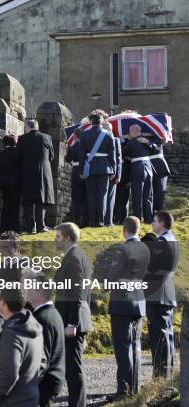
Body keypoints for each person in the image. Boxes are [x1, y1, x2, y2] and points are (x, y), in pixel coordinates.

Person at [106, 216, 149, 401]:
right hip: (139, 302)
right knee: (135, 347)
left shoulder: (122, 249)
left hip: (122, 303)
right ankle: (134, 388)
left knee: (122, 348)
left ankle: (124, 392)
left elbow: (113, 275)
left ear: (124, 229)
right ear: (138, 229)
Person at [53, 222, 92, 407]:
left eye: (58, 237)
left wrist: (72, 323)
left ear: (67, 237)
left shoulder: (75, 257)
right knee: (71, 368)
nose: (55, 240)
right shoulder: (73, 256)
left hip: (73, 322)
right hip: (71, 319)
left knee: (74, 369)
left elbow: (77, 293)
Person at [0, 288, 43, 407]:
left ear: (2, 302)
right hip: (32, 398)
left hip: (13, 402)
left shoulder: (11, 332)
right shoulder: (35, 326)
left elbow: (9, 372)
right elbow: (43, 362)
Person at [144, 210, 178, 378]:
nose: (152, 223)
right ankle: (166, 376)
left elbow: (150, 268)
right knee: (166, 336)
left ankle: (161, 377)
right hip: (165, 293)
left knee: (159, 338)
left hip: (157, 294)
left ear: (162, 223)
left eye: (155, 221)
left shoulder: (162, 241)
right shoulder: (171, 239)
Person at [25, 272, 65, 407]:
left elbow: (41, 359)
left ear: (39, 292)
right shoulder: (53, 313)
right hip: (53, 379)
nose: (27, 292)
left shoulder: (42, 318)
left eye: (30, 288)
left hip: (45, 383)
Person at [17, 119, 55, 233]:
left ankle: (29, 227)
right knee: (41, 199)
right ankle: (41, 226)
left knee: (28, 200)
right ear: (37, 127)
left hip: (27, 171)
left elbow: (19, 156)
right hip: (43, 171)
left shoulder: (22, 139)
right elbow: (51, 156)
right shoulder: (47, 137)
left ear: (27, 128)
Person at [79, 113, 116, 227]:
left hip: (90, 168)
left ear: (90, 121)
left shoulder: (84, 135)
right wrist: (113, 170)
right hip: (104, 168)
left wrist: (82, 171)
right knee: (102, 195)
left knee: (91, 195)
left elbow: (81, 155)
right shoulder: (109, 135)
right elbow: (112, 154)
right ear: (101, 122)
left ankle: (92, 221)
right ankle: (100, 221)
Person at [123, 124, 158, 223]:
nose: (129, 134)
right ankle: (148, 219)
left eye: (129, 132)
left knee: (137, 196)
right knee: (148, 196)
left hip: (137, 170)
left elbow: (122, 153)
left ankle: (137, 220)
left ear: (133, 131)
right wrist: (148, 142)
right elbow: (156, 149)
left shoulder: (131, 143)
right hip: (148, 169)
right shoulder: (146, 141)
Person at [0, 134, 21, 233]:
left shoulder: (2, 153)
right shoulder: (17, 152)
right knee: (15, 205)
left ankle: (4, 227)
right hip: (15, 182)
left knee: (6, 205)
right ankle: (14, 227)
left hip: (4, 183)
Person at [65, 130, 88, 227]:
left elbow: (67, 159)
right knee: (86, 197)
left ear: (75, 136)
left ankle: (77, 220)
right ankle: (86, 220)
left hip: (76, 171)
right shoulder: (87, 146)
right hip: (87, 171)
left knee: (76, 197)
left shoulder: (73, 147)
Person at [105, 125, 123, 226]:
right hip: (104, 172)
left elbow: (118, 159)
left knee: (110, 198)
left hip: (112, 174)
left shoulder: (116, 140)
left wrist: (118, 175)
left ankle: (108, 221)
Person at [149, 138, 170, 212]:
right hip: (148, 168)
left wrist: (148, 142)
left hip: (160, 168)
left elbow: (158, 147)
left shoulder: (157, 137)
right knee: (149, 194)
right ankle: (150, 216)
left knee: (159, 193)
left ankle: (158, 215)